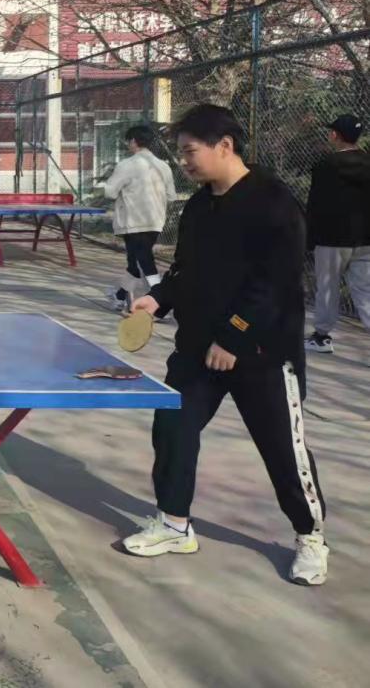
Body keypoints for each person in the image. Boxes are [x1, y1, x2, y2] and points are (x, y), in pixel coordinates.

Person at [122, 103, 328, 586]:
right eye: (180, 153)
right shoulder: (198, 207)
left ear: (225, 146)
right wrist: (157, 299)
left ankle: (310, 537)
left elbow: (275, 283)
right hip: (197, 349)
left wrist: (233, 336)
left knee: (282, 449)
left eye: (190, 152)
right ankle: (175, 524)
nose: (183, 162)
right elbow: (185, 271)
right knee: (172, 429)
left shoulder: (274, 203)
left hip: (262, 354)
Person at [304, 113, 370, 354]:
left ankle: (322, 337)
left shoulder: (326, 166)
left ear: (334, 135)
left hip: (332, 239)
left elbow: (316, 204)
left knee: (328, 286)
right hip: (366, 238)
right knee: (365, 290)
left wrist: (310, 238)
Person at [102, 124, 178, 312]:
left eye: (129, 141)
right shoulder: (163, 166)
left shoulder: (127, 165)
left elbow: (110, 192)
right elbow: (171, 196)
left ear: (134, 141)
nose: (128, 144)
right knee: (135, 261)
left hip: (133, 221)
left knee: (143, 260)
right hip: (155, 220)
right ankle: (120, 296)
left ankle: (160, 301)